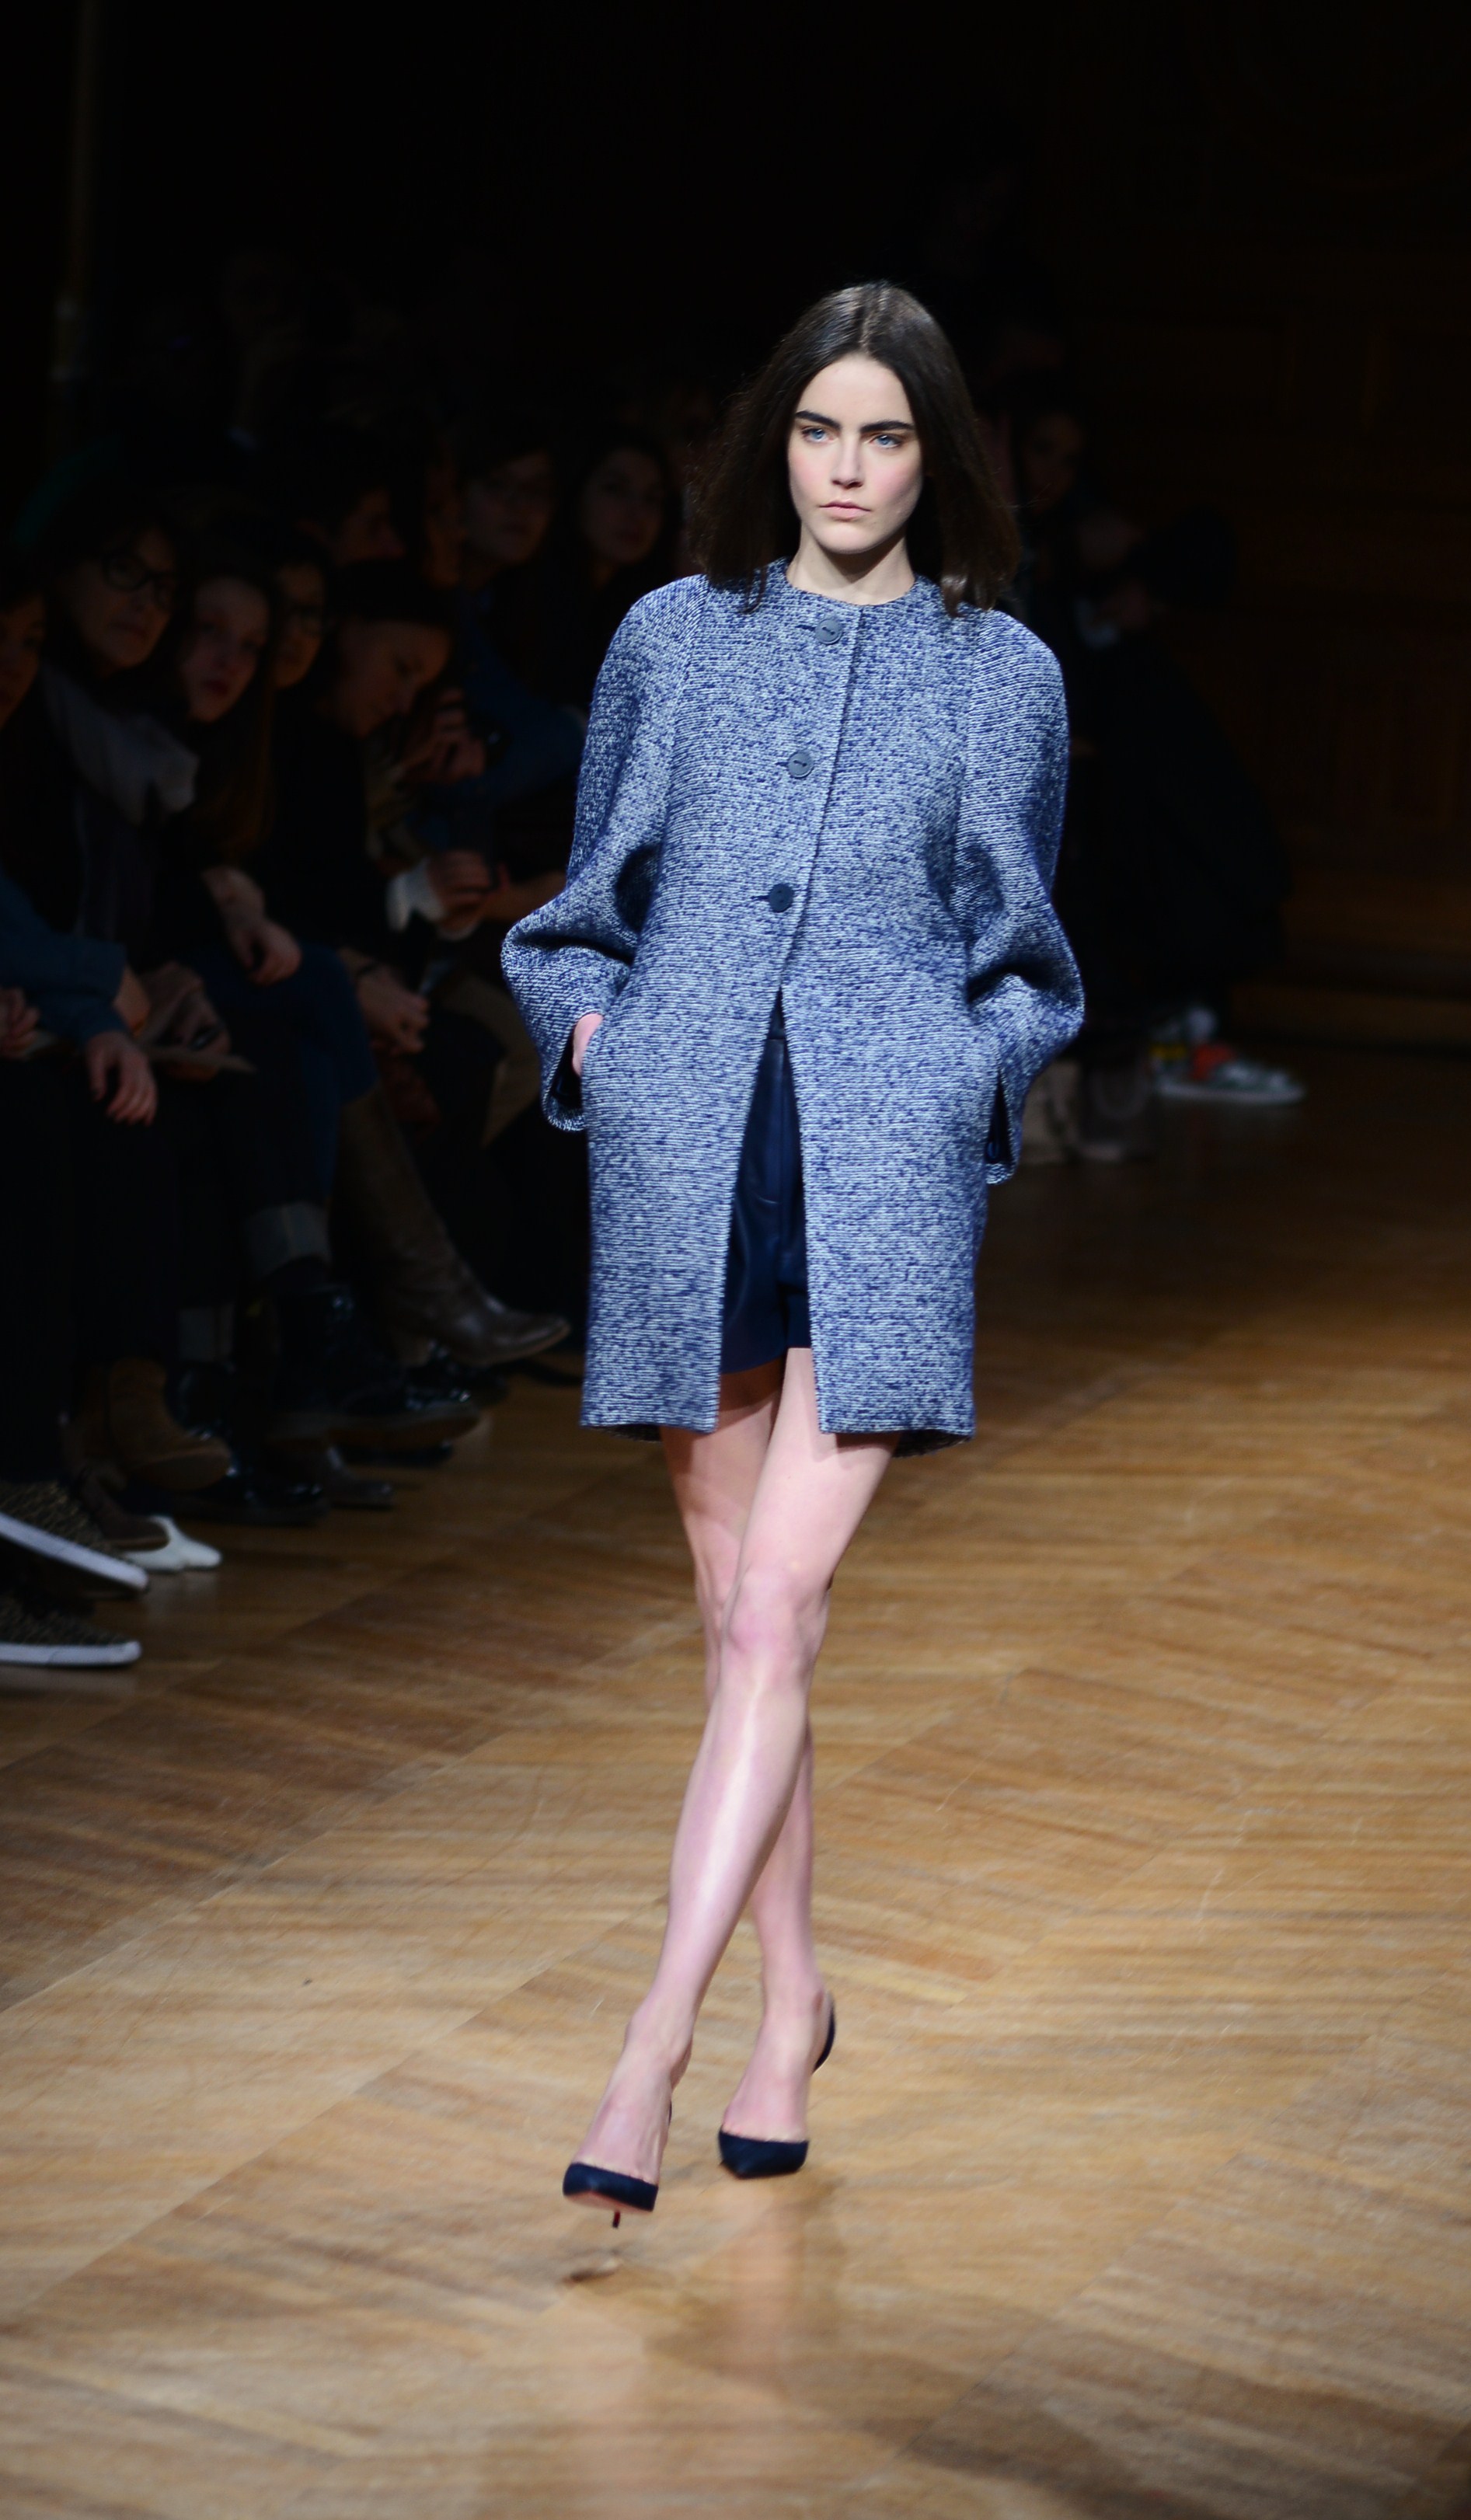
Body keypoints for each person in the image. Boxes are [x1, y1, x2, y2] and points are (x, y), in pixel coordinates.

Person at [503, 283, 1080, 2218]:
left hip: (876, 1169)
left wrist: (953, 1079)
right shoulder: (671, 637)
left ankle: (649, 2045)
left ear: (935, 457)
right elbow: (573, 916)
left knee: (771, 1612)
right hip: (691, 1158)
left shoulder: (1000, 673)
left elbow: (1029, 965)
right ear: (775, 442)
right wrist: (598, 1045)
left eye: (884, 436)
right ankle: (791, 2003)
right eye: (820, 431)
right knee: (749, 1623)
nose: (846, 469)